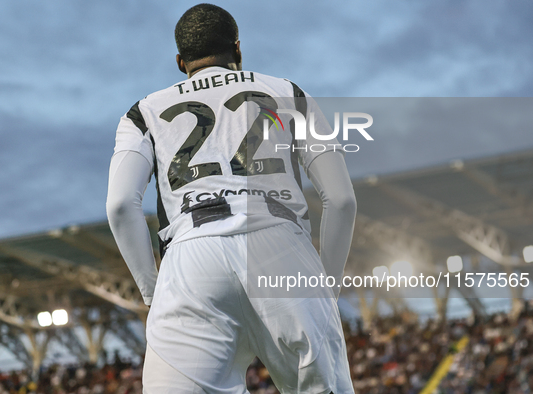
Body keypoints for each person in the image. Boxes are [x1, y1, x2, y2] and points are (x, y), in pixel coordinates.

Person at [106, 4, 357, 393]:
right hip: (281, 245)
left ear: (179, 61)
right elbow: (341, 200)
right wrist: (324, 286)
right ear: (238, 49)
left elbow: (121, 205)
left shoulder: (143, 113)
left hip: (191, 254)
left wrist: (155, 293)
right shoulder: (288, 92)